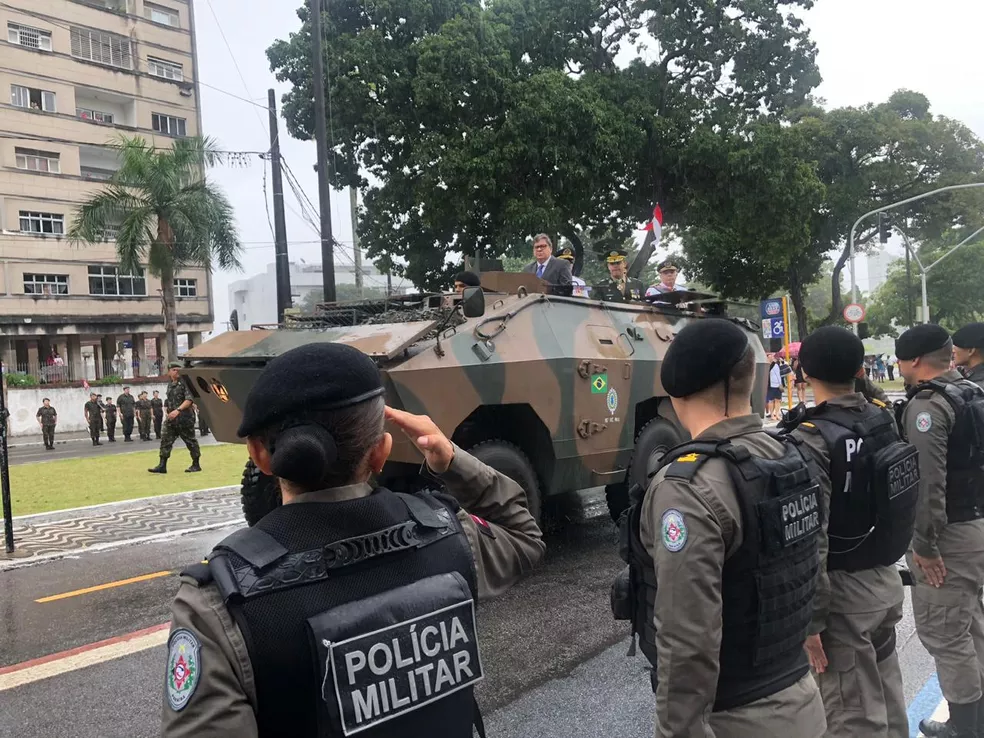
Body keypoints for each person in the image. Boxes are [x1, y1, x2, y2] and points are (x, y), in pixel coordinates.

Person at [161, 342, 546, 737]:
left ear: (260, 456)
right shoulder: (448, 536)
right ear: (380, 453)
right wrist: (451, 460)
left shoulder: (218, 606)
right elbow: (523, 535)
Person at [616, 319, 826, 737]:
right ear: (751, 380)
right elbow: (812, 560)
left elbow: (687, 635)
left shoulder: (687, 487)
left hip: (735, 718)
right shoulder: (792, 455)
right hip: (801, 697)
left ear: (674, 393)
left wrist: (678, 729)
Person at [780, 327, 916, 737]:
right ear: (860, 368)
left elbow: (811, 539)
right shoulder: (881, 416)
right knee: (888, 701)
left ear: (802, 372)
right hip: (882, 579)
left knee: (850, 716)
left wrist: (812, 621)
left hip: (841, 596)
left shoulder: (812, 439)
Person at [896, 324, 984, 738]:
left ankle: (965, 727)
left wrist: (924, 546)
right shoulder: (973, 392)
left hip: (950, 534)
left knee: (945, 634)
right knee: (971, 624)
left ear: (913, 361)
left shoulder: (928, 407)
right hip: (977, 524)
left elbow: (927, 483)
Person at [150, 363, 202, 473]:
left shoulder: (185, 383)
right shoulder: (170, 384)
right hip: (172, 418)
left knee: (190, 441)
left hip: (184, 417)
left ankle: (196, 464)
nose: (177, 371)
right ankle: (162, 465)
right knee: (165, 439)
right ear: (169, 371)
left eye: (178, 369)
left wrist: (178, 410)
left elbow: (189, 400)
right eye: (174, 369)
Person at [953, 323, 984, 389]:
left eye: (956, 346)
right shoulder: (963, 375)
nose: (953, 350)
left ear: (971, 351)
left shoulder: (976, 388)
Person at [767, 354, 784, 420]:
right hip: (771, 385)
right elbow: (769, 368)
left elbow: (783, 368)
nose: (772, 358)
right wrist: (772, 361)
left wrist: (781, 361)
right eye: (770, 357)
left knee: (778, 400)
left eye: (772, 357)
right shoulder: (768, 365)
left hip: (778, 384)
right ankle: (772, 414)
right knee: (771, 400)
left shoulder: (777, 364)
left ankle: (777, 414)